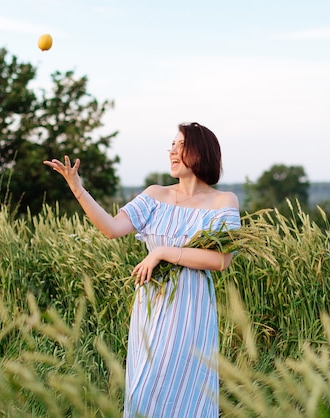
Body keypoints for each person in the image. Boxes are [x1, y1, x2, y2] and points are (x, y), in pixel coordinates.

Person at [43, 122, 240, 417]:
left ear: (201, 151)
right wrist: (78, 189)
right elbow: (112, 228)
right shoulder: (155, 196)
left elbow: (221, 260)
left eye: (180, 144)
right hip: (151, 305)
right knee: (144, 389)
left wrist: (162, 252)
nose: (172, 151)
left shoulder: (223, 201)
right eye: (171, 145)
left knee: (186, 390)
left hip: (191, 308)